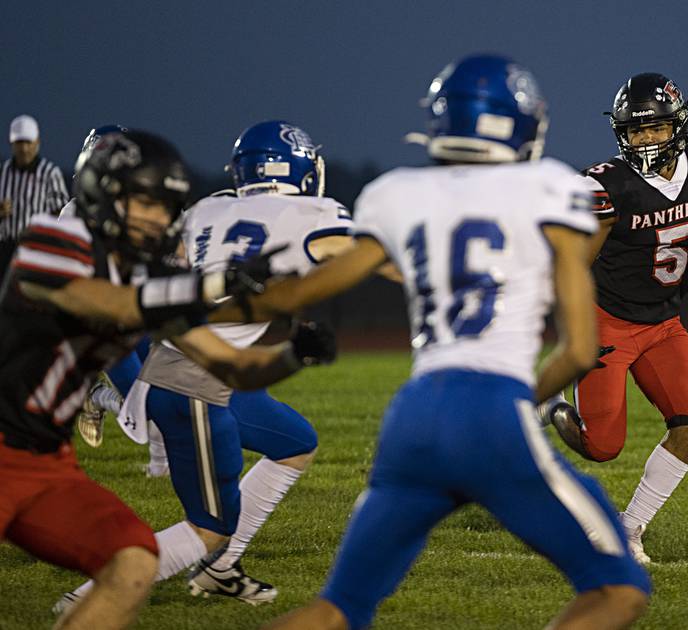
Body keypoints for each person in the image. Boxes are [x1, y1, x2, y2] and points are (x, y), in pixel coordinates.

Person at [243, 54, 650, 630]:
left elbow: (290, 295)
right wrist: (519, 400)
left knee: (338, 608)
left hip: (414, 414)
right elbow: (580, 351)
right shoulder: (552, 188)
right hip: (490, 410)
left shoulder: (396, 192)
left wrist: (201, 296)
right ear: (520, 123)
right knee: (619, 589)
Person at [56, 120, 353, 610]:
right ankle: (84, 601)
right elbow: (359, 252)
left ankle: (219, 569)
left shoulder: (209, 207)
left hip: (196, 357)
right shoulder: (313, 210)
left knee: (296, 443)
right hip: (195, 375)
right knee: (207, 526)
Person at [538, 73, 688, 565]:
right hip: (608, 323)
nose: (646, 140)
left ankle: (628, 529)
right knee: (602, 448)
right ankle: (552, 406)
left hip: (664, 323)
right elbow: (577, 263)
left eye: (655, 129)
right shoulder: (608, 184)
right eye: (636, 132)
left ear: (677, 125)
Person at [0, 114, 70, 273]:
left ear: (37, 142)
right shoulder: (2, 172)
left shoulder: (50, 173)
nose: (24, 148)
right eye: (19, 142)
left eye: (28, 142)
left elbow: (62, 215)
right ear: (11, 143)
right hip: (4, 249)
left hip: (35, 248)